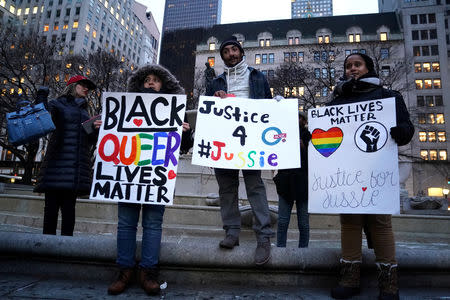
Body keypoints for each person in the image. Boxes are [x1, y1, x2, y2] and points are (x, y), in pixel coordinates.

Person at [328, 53, 414, 300]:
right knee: (350, 223)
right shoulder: (337, 100)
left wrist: (402, 131)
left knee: (380, 224)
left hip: (377, 171)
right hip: (348, 173)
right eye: (348, 66)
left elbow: (407, 130)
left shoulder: (390, 97)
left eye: (357, 64)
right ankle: (349, 279)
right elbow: (325, 132)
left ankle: (389, 285)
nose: (352, 69)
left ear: (368, 68)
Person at [107, 64, 193, 296]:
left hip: (157, 176)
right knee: (126, 222)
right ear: (140, 84)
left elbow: (183, 147)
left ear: (164, 84)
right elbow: (112, 138)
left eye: (155, 79)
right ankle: (124, 271)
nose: (151, 83)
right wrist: (100, 128)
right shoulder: (125, 106)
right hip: (129, 173)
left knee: (153, 224)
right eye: (147, 80)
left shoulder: (175, 109)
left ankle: (148, 272)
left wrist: (186, 132)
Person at [205, 36, 274, 266]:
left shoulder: (258, 77)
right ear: (222, 56)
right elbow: (207, 114)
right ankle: (232, 232)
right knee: (226, 189)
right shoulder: (216, 82)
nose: (231, 54)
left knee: (255, 187)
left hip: (252, 141)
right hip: (224, 143)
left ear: (241, 52)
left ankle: (263, 237)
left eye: (235, 50)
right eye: (226, 51)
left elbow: (268, 108)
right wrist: (215, 99)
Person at [34, 75, 100, 236]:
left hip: (75, 168)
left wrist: (96, 129)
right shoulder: (57, 104)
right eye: (82, 85)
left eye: (88, 87)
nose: (86, 89)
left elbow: (89, 140)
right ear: (72, 86)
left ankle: (66, 246)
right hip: (56, 165)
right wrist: (41, 96)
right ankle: (48, 246)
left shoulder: (86, 111)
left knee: (69, 210)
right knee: (51, 209)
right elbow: (41, 117)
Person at [274, 112, 311, 248]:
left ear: (304, 121)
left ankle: (304, 251)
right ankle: (280, 249)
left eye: (301, 118)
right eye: (296, 117)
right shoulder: (283, 133)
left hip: (304, 183)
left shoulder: (309, 136)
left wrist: (304, 147)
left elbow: (316, 158)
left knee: (304, 223)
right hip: (285, 182)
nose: (298, 120)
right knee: (283, 221)